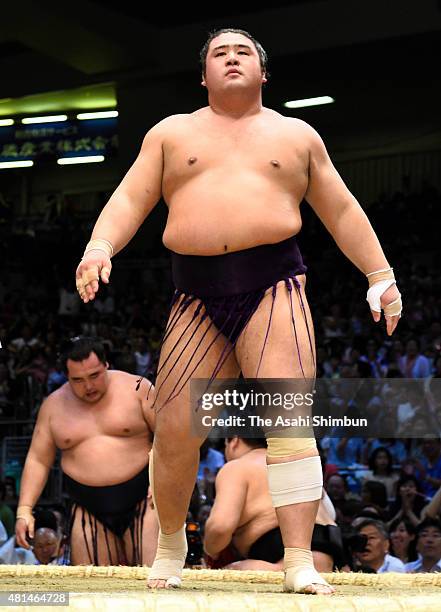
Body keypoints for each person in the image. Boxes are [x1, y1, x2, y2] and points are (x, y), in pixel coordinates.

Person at [75, 27, 402, 593]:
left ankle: (298, 559)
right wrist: (100, 247)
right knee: (176, 429)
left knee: (290, 423)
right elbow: (129, 197)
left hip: (273, 285)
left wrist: (381, 276)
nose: (230, 59)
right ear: (203, 76)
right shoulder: (170, 134)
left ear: (263, 73)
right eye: (219, 54)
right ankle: (173, 547)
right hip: (194, 295)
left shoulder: (296, 134)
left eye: (242, 52)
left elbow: (343, 209)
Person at [15, 337, 158, 566]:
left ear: (106, 365)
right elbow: (38, 460)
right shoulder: (53, 406)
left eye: (95, 376)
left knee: (153, 582)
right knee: (96, 590)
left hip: (145, 500)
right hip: (88, 509)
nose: (89, 386)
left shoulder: (138, 388)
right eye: (78, 380)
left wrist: (163, 476)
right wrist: (24, 509)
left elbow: (169, 437)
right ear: (66, 376)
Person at [204, 436, 345, 572]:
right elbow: (330, 513)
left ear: (235, 440)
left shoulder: (237, 467)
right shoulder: (297, 464)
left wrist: (210, 550)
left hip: (286, 564)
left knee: (227, 572)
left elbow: (220, 527)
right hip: (338, 558)